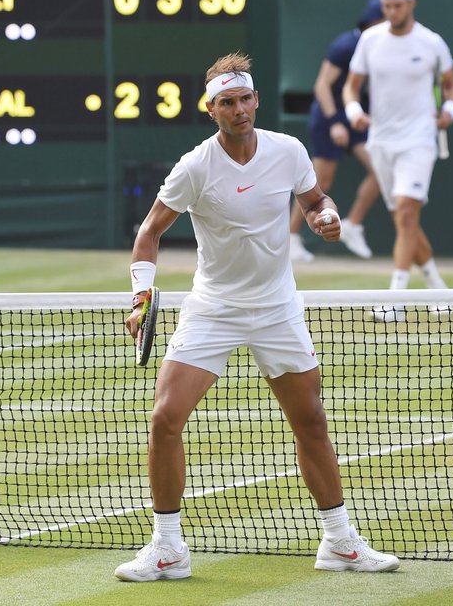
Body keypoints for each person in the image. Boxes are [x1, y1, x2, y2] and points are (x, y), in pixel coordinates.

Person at [115, 53, 399, 583]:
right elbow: (149, 232)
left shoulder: (288, 151)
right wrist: (142, 294)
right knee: (165, 418)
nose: (239, 109)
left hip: (277, 307)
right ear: (211, 109)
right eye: (228, 102)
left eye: (246, 99)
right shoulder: (195, 166)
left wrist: (325, 216)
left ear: (256, 101)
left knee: (310, 419)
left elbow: (314, 200)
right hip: (213, 307)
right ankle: (168, 548)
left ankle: (339, 541)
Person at [341, 0, 453, 322]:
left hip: (419, 138)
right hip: (381, 140)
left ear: (411, 4)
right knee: (404, 220)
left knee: (407, 213)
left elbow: (452, 85)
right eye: (387, 7)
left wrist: (450, 110)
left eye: (398, 6)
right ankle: (438, 286)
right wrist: (353, 111)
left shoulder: (431, 42)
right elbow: (351, 88)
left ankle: (394, 299)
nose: (392, 12)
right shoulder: (369, 40)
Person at [289, 0, 384, 263]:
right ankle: (291, 237)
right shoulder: (346, 45)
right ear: (373, 21)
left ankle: (353, 225)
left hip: (354, 118)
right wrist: (334, 122)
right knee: (318, 183)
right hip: (329, 118)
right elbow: (322, 86)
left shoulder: (379, 46)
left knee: (381, 171)